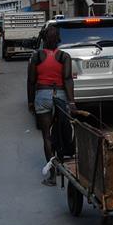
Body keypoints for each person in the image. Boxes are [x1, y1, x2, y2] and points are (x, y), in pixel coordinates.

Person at [27, 24, 75, 186]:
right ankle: (64, 166)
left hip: (42, 95)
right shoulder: (64, 56)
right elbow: (68, 79)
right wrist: (72, 102)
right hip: (60, 95)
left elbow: (31, 81)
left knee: (47, 136)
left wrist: (30, 101)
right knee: (61, 131)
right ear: (59, 40)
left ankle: (53, 174)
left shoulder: (37, 56)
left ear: (44, 39)